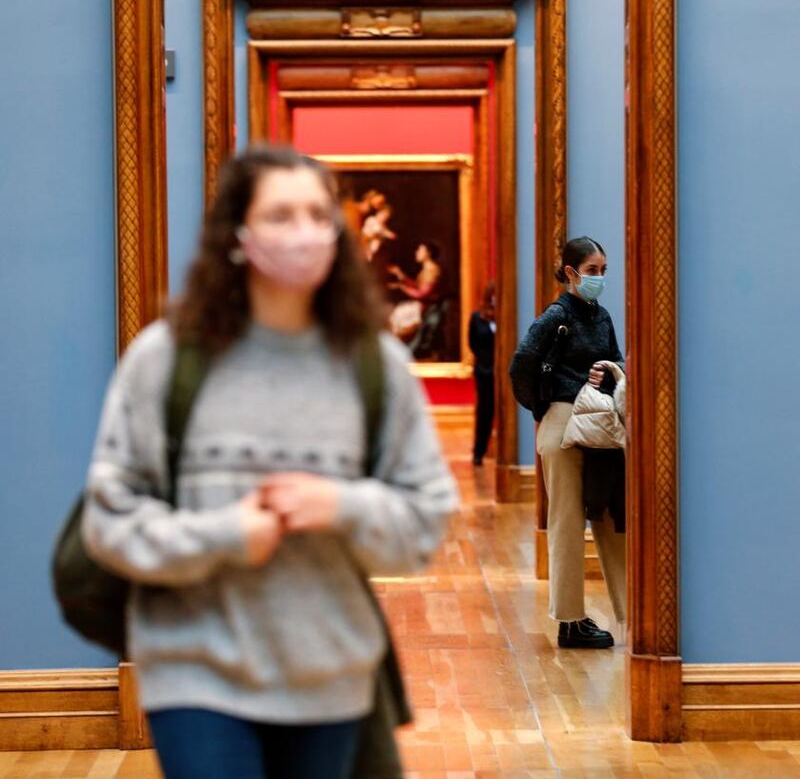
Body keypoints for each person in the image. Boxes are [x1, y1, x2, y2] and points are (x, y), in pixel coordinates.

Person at [81, 144, 459, 779]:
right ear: (238, 235)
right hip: (194, 668)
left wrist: (341, 505)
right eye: (280, 216)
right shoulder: (166, 360)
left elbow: (425, 520)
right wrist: (225, 535)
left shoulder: (376, 368)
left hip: (329, 674)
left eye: (318, 215)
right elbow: (109, 518)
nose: (304, 233)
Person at [509, 237, 625, 649]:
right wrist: (542, 407)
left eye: (603, 270)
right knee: (567, 520)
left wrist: (607, 373)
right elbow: (521, 365)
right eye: (592, 271)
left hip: (598, 423)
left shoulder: (601, 316)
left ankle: (631, 613)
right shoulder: (555, 316)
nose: (599, 278)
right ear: (571, 273)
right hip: (562, 422)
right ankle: (571, 621)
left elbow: (617, 360)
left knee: (612, 514)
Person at [468, 283, 496, 466]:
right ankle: (479, 451)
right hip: (484, 372)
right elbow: (472, 343)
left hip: (503, 373)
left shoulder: (507, 317)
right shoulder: (477, 318)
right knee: (484, 412)